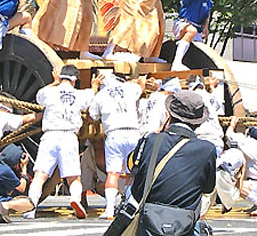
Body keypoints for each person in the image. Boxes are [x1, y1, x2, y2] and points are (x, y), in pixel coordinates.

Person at [104, 90, 217, 236]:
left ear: (168, 116)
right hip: (185, 223)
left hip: (149, 220)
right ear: (198, 122)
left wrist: (158, 133)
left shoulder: (150, 140)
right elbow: (208, 188)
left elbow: (132, 168)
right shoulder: (207, 149)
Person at [26, 64, 94, 220]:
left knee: (40, 175)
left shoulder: (49, 92)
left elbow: (39, 95)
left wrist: (54, 82)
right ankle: (75, 200)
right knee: (73, 177)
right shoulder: (81, 94)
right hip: (69, 136)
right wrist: (94, 86)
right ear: (75, 79)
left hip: (50, 135)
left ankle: (31, 208)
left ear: (60, 77)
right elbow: (90, 96)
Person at [89, 71, 145, 219]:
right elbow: (141, 86)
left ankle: (109, 209)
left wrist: (93, 88)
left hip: (114, 134)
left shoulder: (100, 95)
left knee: (112, 173)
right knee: (131, 173)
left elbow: (92, 116)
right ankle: (130, 205)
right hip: (133, 133)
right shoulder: (130, 88)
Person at [171, 0, 244, 70]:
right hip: (183, 24)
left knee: (199, 54)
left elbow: (207, 9)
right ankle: (176, 63)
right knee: (192, 31)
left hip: (198, 27)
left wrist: (205, 26)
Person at [80, 135, 127, 211]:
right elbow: (84, 175)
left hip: (125, 181)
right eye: (93, 140)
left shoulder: (115, 146)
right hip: (105, 183)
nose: (95, 141)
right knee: (101, 186)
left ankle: (128, 199)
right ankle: (110, 207)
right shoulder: (88, 154)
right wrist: (82, 199)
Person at [225, 119, 257, 211]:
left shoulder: (248, 144)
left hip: (253, 184)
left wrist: (232, 124)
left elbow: (229, 134)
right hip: (254, 183)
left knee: (235, 186)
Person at [188, 75, 224, 156]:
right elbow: (218, 106)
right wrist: (212, 87)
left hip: (202, 140)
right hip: (216, 141)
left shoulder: (190, 97)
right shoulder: (208, 96)